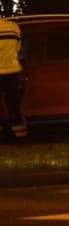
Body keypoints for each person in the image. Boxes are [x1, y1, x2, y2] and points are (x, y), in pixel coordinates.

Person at [0, 16, 26, 144]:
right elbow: (18, 48)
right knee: (14, 107)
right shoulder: (13, 26)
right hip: (13, 72)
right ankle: (21, 138)